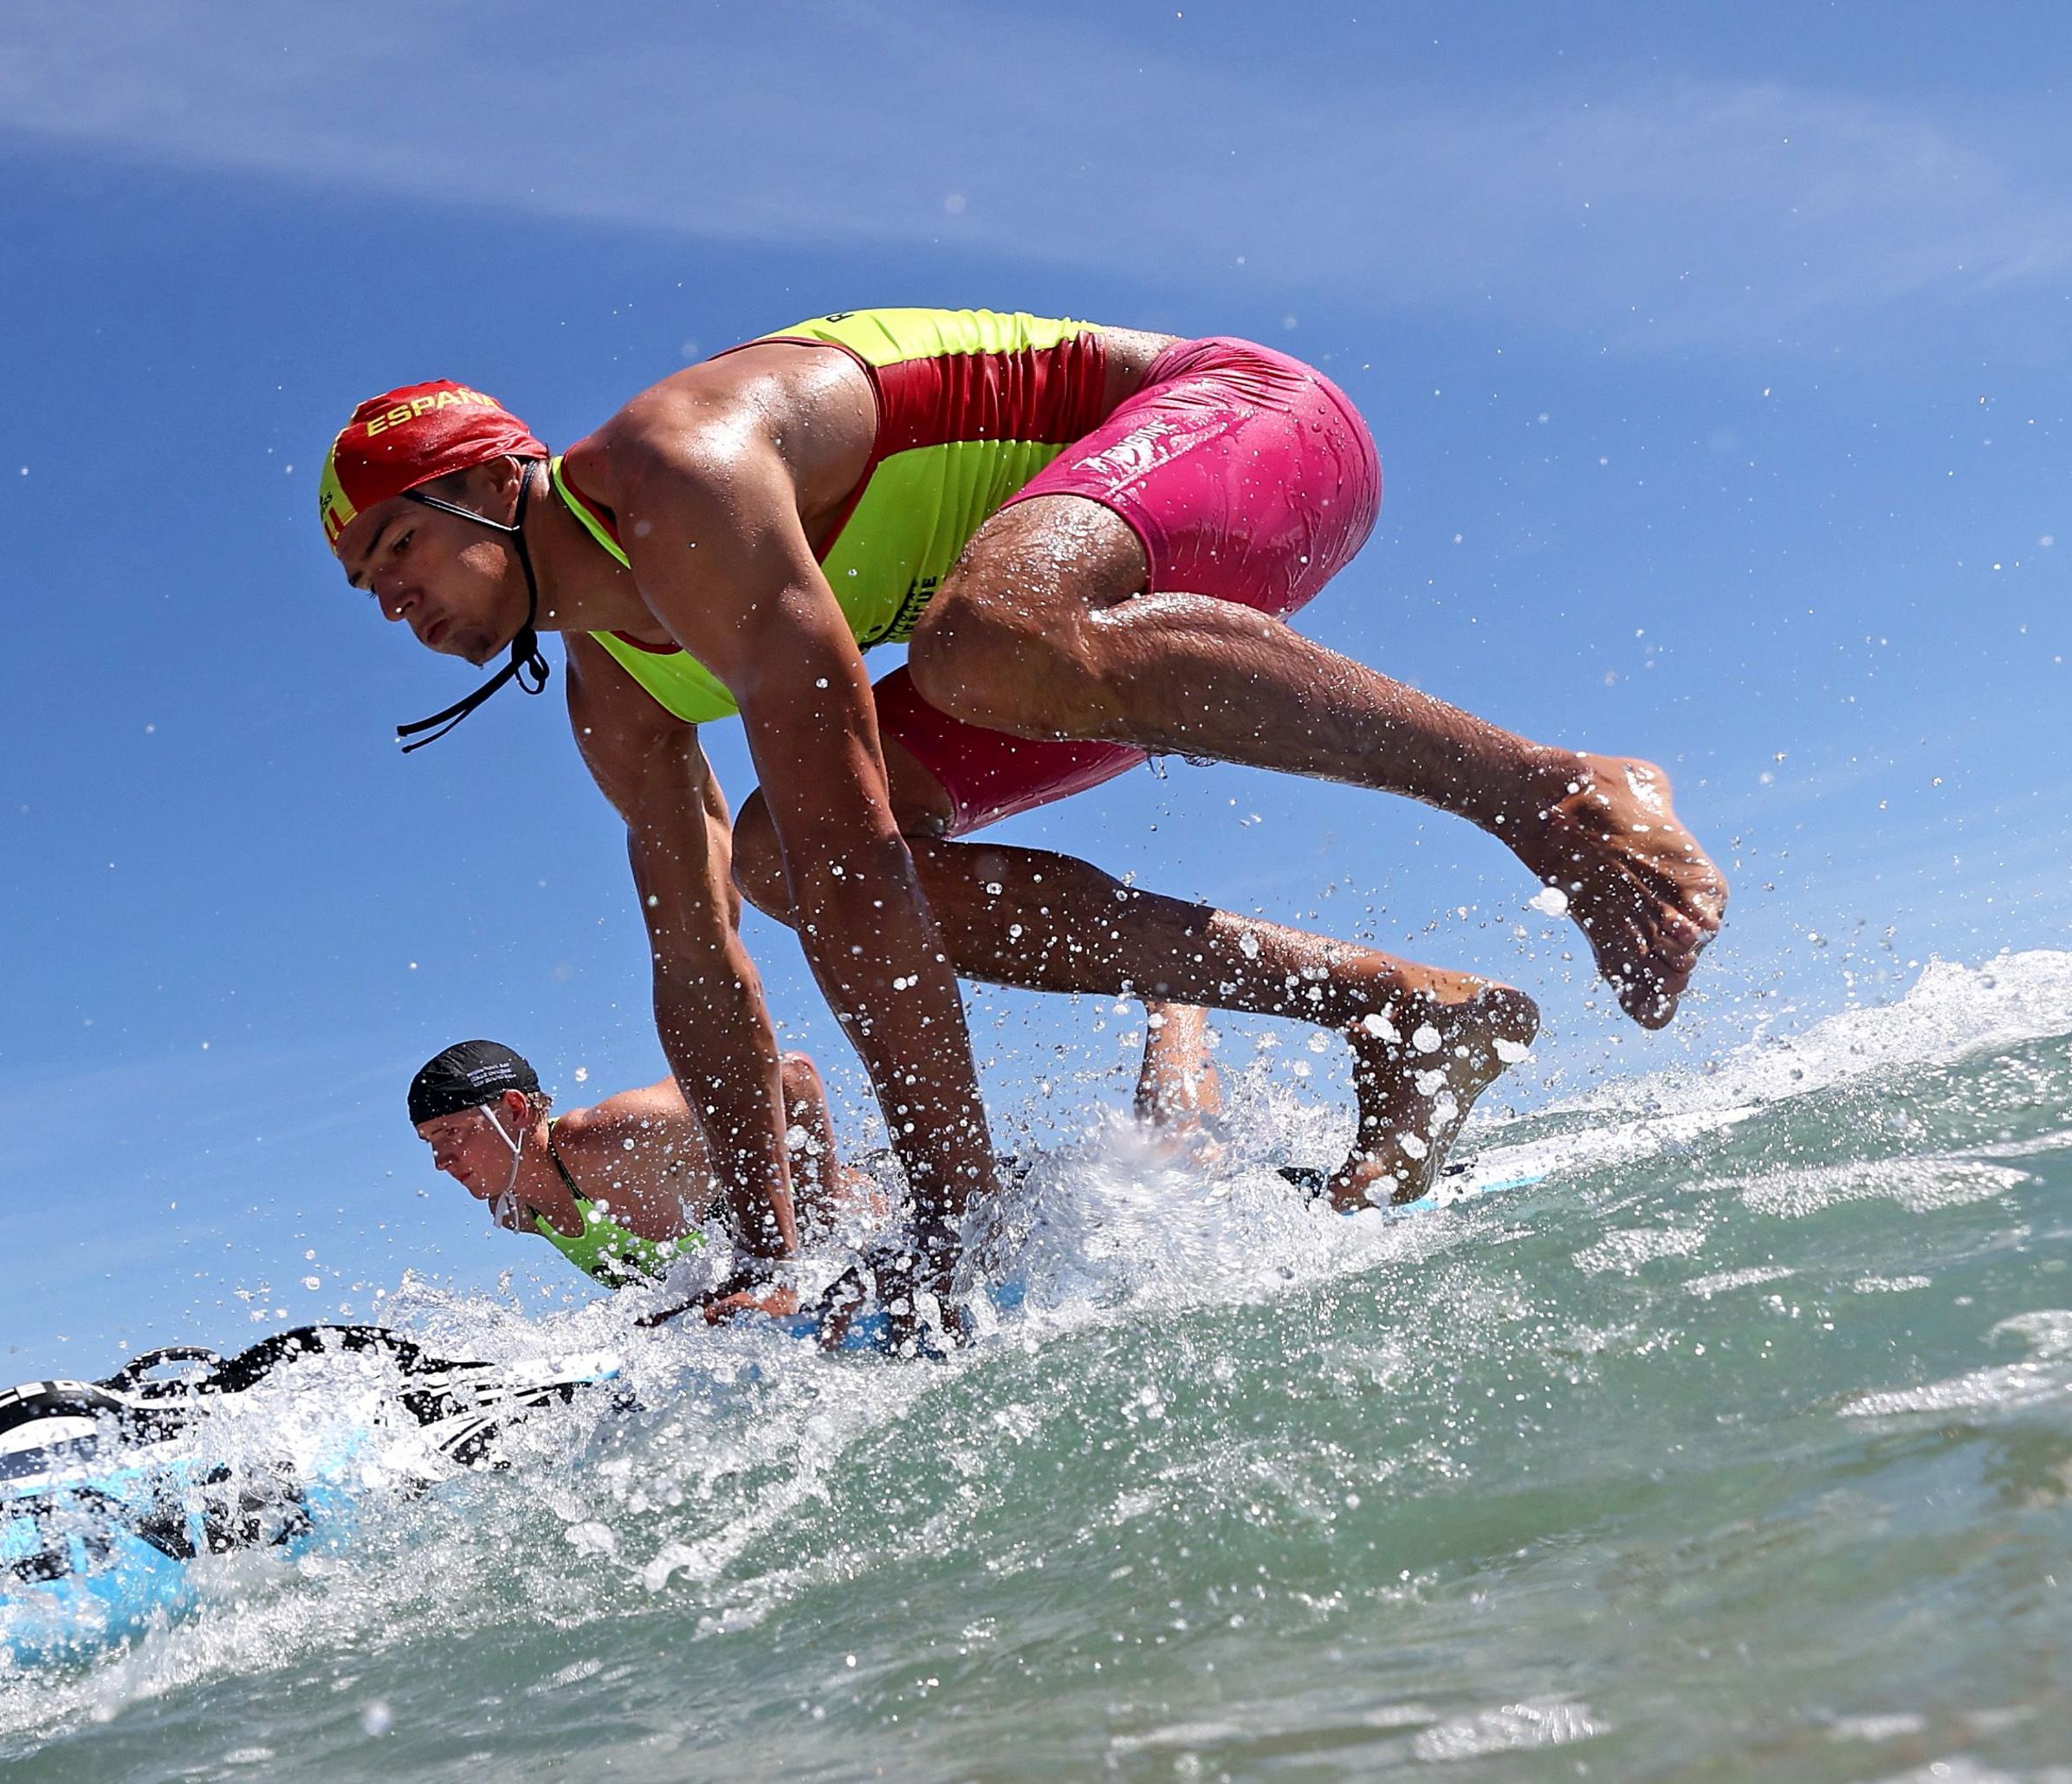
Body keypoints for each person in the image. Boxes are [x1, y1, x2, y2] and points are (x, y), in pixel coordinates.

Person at [322, 316, 1719, 1264]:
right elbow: (699, 963)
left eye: (397, 545)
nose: (390, 599)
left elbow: (862, 841)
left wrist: (953, 1223)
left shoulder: (671, 474)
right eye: (362, 584)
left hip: (1249, 427)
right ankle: (1403, 1013)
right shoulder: (610, 693)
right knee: (770, 864)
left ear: (493, 480)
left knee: (975, 653)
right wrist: (766, 1259)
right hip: (1097, 630)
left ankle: (1557, 790)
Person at [407, 1038, 879, 1287]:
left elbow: (790, 1075)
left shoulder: (608, 1138)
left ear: (514, 1109)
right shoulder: (516, 1213)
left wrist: (820, 1227)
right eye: (430, 1141)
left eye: (452, 1133)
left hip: (875, 1229)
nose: (440, 1160)